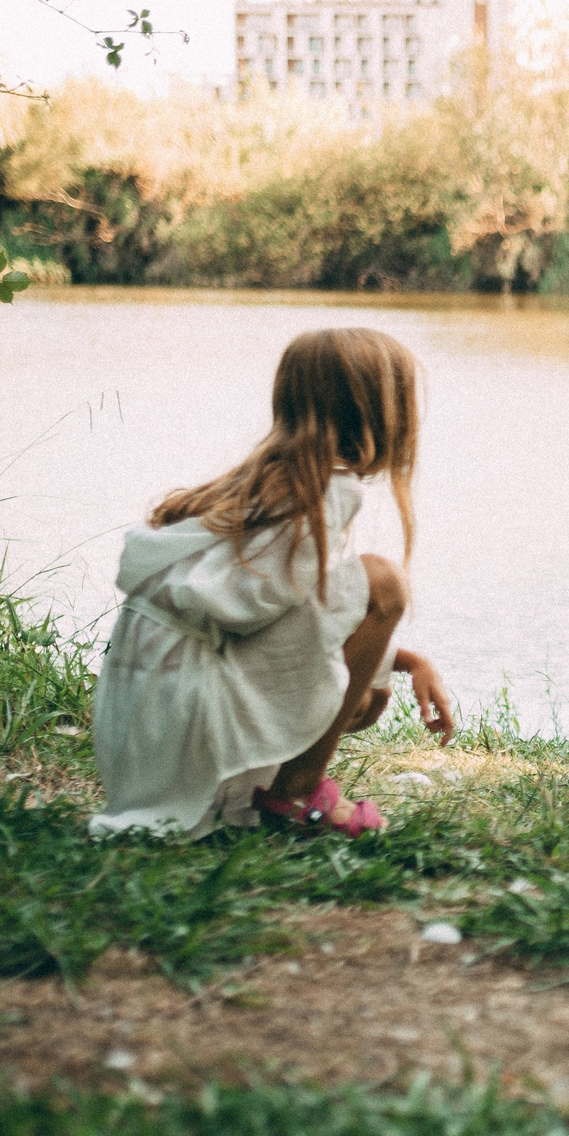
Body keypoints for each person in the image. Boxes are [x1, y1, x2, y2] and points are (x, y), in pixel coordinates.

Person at [89, 327, 453, 839]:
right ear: (375, 412)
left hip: (143, 730)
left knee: (369, 672)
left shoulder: (264, 480)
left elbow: (262, 612)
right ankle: (298, 792)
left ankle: (273, 785)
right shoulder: (321, 493)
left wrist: (401, 659)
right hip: (181, 722)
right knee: (383, 583)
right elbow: (256, 614)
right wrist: (376, 662)